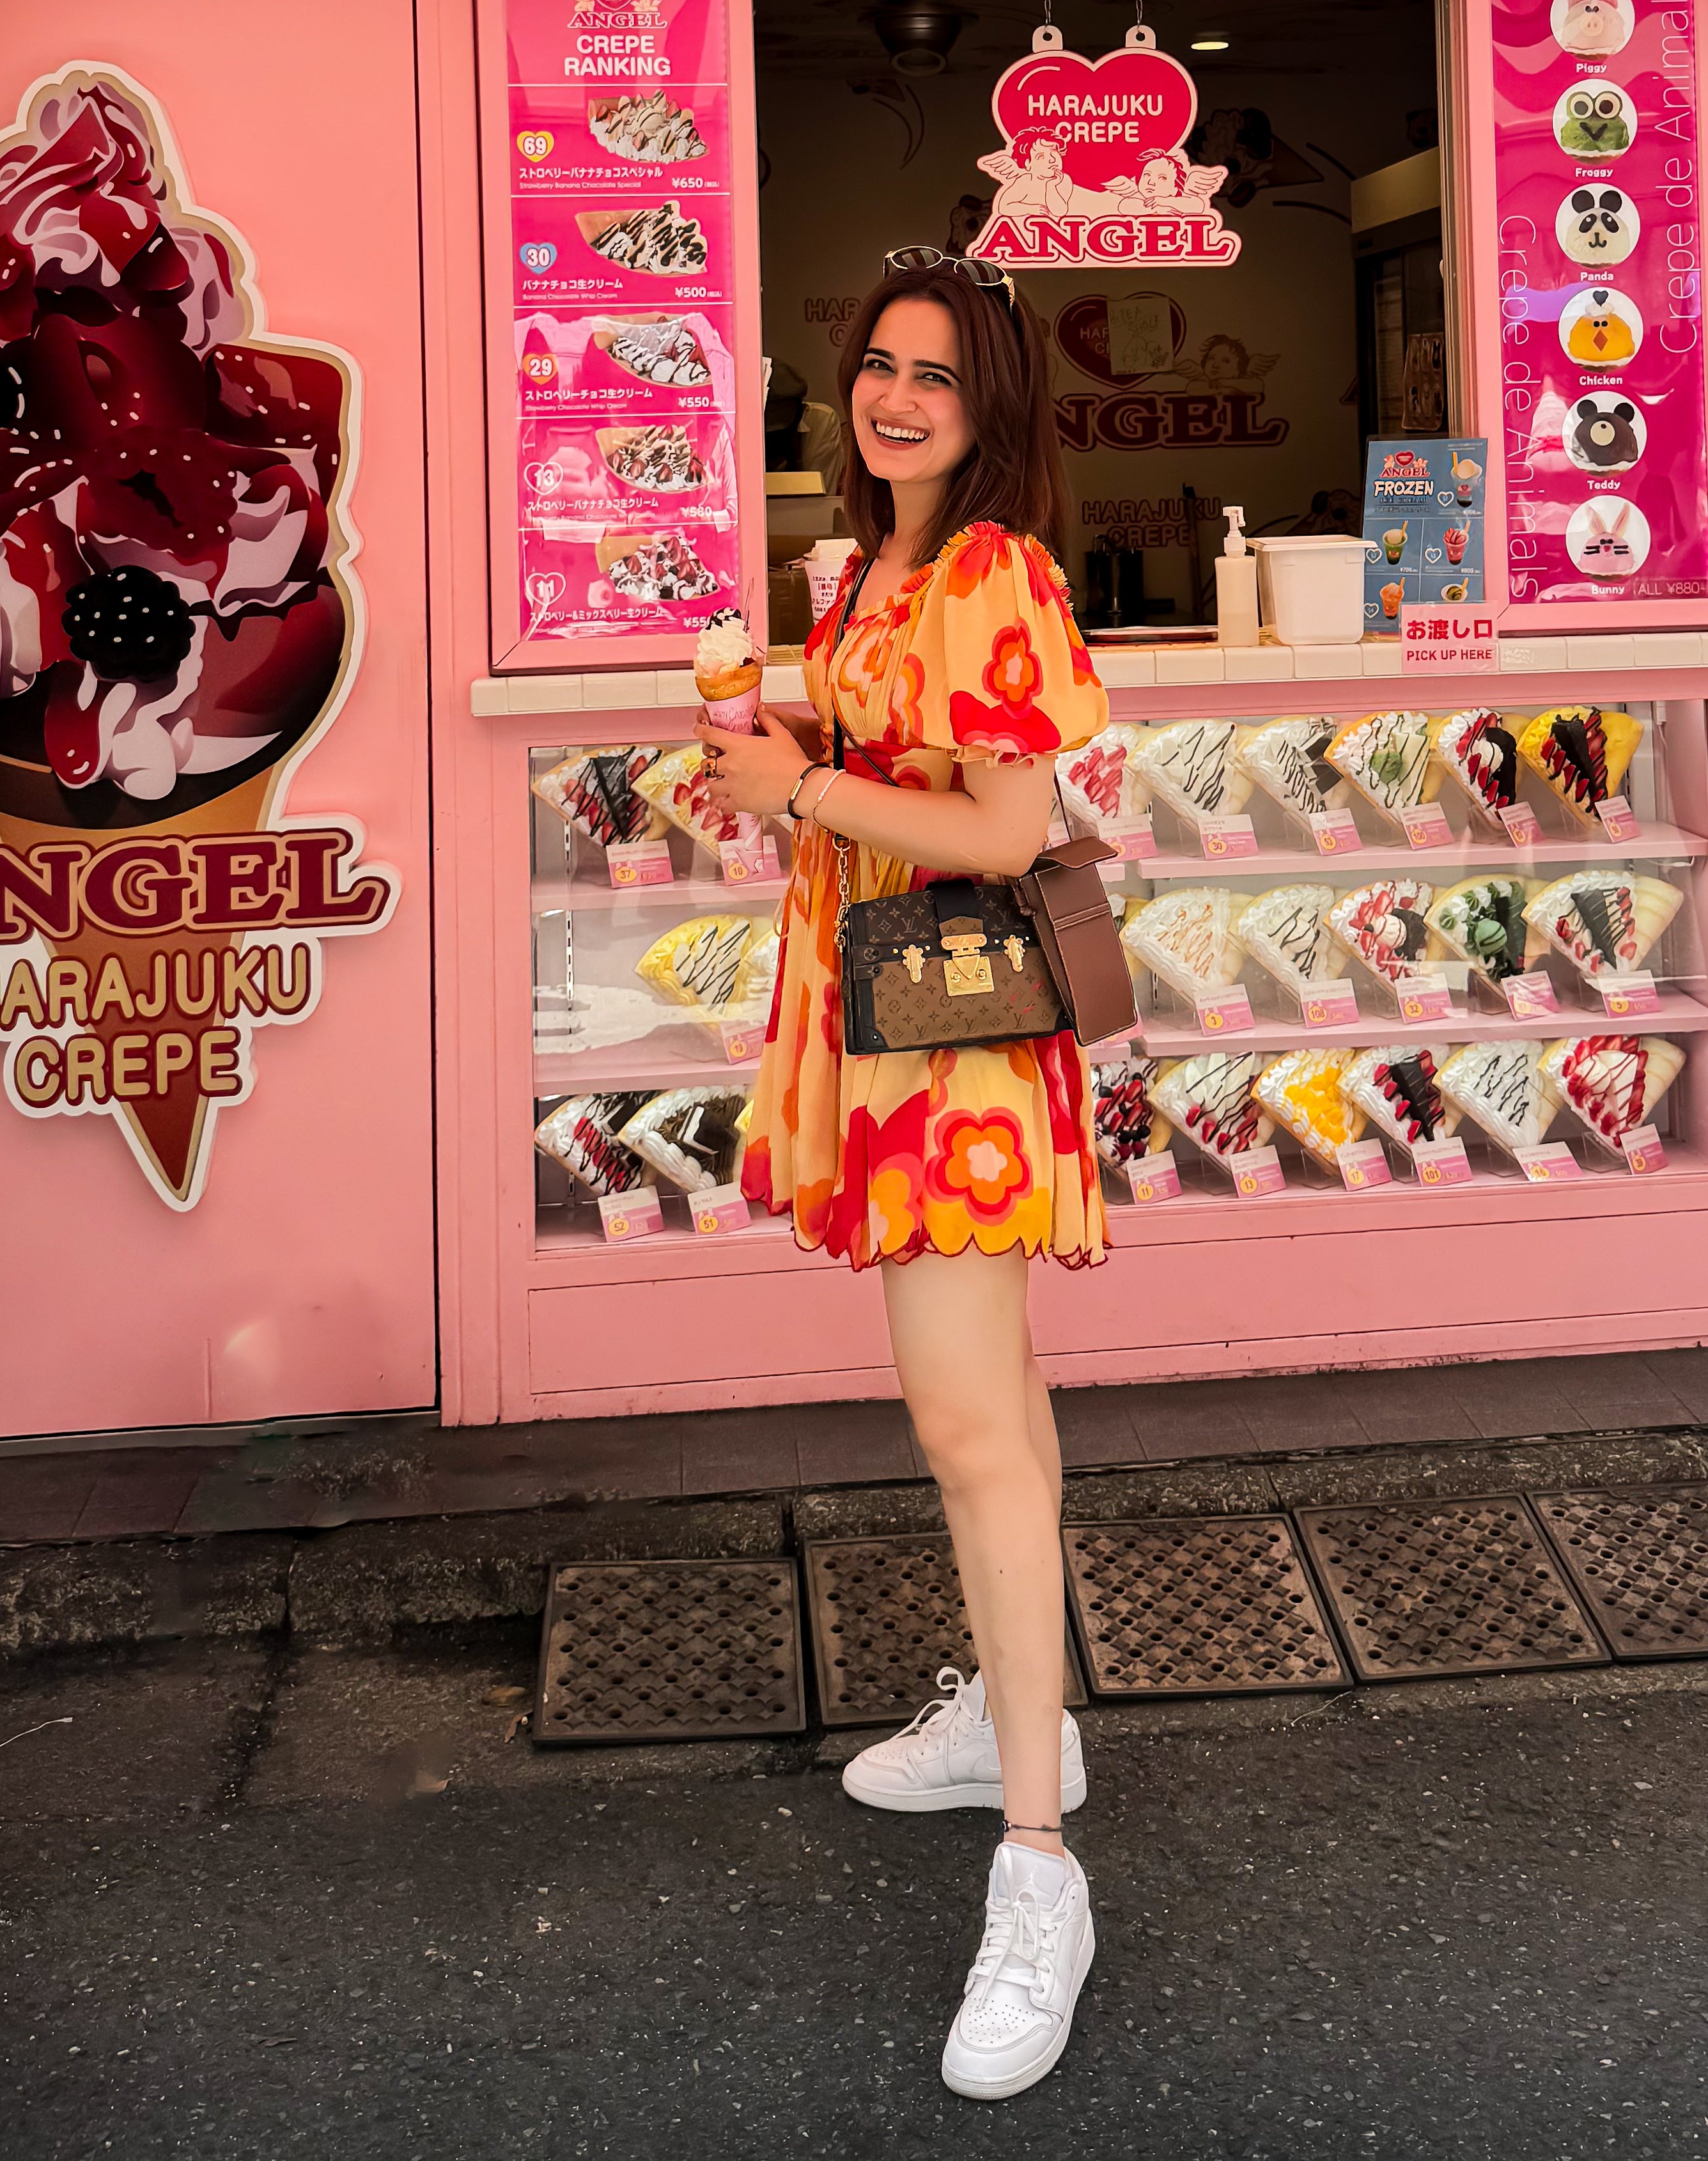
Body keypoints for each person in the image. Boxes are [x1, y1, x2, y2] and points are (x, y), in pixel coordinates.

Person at [695, 247, 1108, 2102]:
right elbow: (885, 771)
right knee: (996, 1407)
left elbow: (1006, 826)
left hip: (954, 1036)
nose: (895, 395)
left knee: (966, 1426)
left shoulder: (994, 566)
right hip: (885, 1011)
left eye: (935, 373)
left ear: (990, 401)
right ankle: (1026, 1727)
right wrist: (785, 759)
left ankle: (1039, 1868)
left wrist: (803, 792)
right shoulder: (874, 565)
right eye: (878, 363)